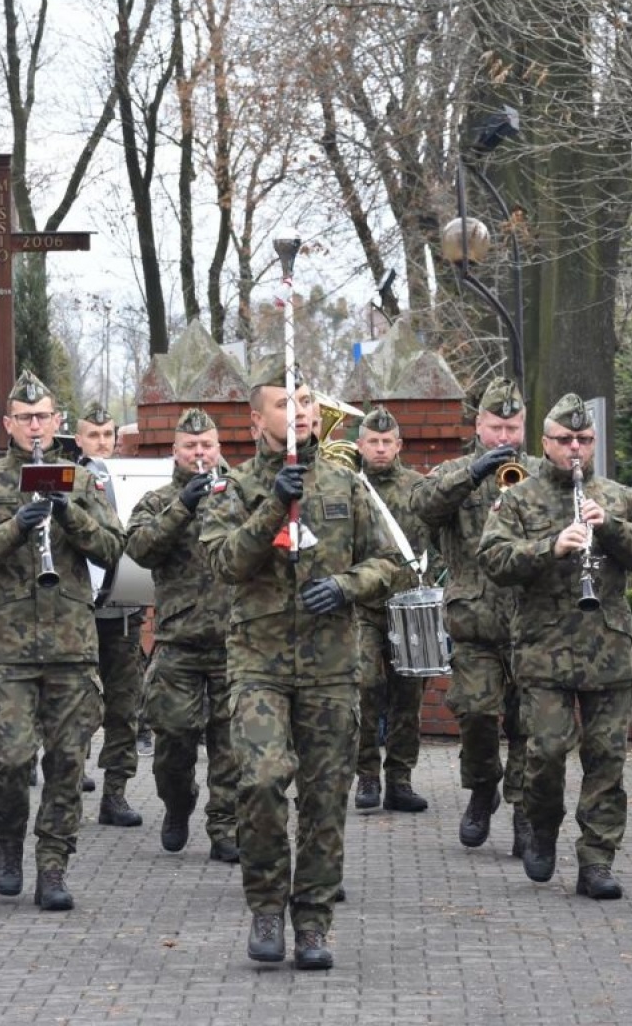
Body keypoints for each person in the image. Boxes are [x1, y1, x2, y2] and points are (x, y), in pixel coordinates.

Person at [198, 357, 399, 970]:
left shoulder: (347, 485)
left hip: (332, 663)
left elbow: (392, 564)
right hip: (258, 661)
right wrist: (268, 510)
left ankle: (312, 921)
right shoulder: (229, 488)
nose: (301, 411)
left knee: (325, 796)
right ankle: (266, 905)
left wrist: (346, 586)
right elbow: (224, 564)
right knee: (259, 781)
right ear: (256, 419)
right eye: (285, 403)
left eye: (306, 401)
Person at [0, 370, 124, 911]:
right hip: (7, 648)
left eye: (43, 416)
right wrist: (16, 528)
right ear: (8, 424)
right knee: (8, 759)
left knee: (69, 761)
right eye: (25, 418)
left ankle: (53, 866)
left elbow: (115, 547)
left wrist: (68, 516)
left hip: (72, 646)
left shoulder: (83, 480)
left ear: (57, 420)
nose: (35, 426)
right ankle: (6, 844)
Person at [479, 393, 632, 899]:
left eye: (584, 440)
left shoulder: (619, 497)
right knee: (544, 755)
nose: (576, 449)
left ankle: (597, 860)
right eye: (565, 440)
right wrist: (550, 547)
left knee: (607, 757)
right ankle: (541, 827)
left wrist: (612, 529)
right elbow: (493, 559)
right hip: (544, 650)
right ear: (545, 443)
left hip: (608, 649)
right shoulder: (518, 499)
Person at [414, 376, 534, 854]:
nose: (504, 437)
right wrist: (474, 473)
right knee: (477, 715)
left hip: (531, 625)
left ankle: (525, 810)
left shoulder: (541, 474)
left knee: (530, 725)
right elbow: (421, 507)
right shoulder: (456, 472)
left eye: (513, 427)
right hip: (475, 623)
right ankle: (483, 788)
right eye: (495, 427)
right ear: (479, 425)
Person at [124, 407, 238, 863]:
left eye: (206, 445)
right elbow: (140, 549)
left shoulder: (242, 493)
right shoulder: (157, 500)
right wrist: (184, 505)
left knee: (233, 748)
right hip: (178, 642)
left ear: (219, 448)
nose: (199, 454)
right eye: (190, 447)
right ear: (175, 451)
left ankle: (225, 826)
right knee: (172, 742)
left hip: (235, 643)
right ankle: (177, 803)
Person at [350, 405, 430, 814]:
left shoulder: (418, 487)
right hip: (363, 606)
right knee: (364, 686)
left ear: (399, 445)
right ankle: (367, 774)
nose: (380, 449)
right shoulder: (349, 486)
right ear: (360, 445)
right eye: (373, 442)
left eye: (387, 442)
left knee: (407, 695)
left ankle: (400, 778)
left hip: (409, 606)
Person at [75, 403, 143, 823]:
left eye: (107, 435)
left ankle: (115, 792)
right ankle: (71, 773)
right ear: (78, 439)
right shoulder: (68, 482)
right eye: (93, 435)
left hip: (123, 610)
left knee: (123, 706)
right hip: (78, 612)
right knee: (78, 701)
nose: (101, 442)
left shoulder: (131, 480)